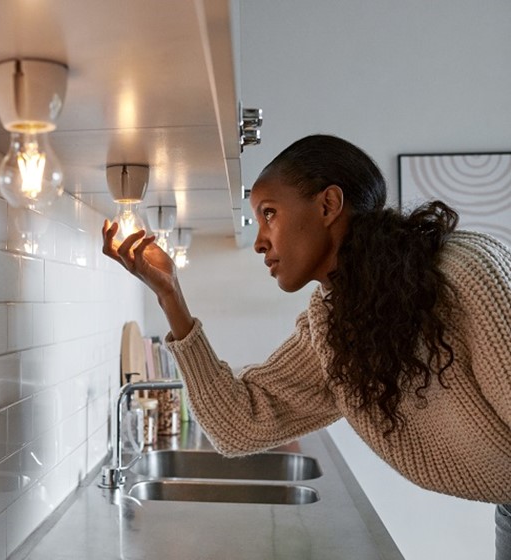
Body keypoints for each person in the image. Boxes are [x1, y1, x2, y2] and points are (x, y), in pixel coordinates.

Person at [101, 134, 511, 558]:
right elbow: (239, 424)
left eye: (270, 214)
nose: (260, 240)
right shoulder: (333, 321)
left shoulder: (466, 274)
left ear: (328, 205)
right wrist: (171, 297)